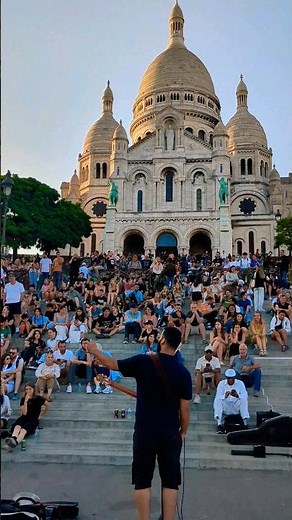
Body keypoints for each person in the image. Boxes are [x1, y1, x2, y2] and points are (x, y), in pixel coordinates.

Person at [86, 327, 192, 520]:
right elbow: (185, 409)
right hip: (169, 432)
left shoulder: (144, 361)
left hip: (145, 431)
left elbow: (111, 364)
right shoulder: (183, 373)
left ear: (162, 341)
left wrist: (93, 349)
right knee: (170, 481)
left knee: (143, 479)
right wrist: (183, 431)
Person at [3, 383, 49, 451]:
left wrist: (41, 415)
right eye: (26, 389)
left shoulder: (38, 398)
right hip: (24, 417)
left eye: (30, 389)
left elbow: (47, 405)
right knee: (17, 426)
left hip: (33, 419)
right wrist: (25, 402)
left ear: (33, 389)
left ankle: (14, 443)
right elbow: (24, 413)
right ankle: (13, 439)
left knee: (23, 430)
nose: (28, 391)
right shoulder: (23, 399)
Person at [214, 368, 249, 434]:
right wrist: (225, 396)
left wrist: (237, 395)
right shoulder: (221, 383)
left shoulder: (240, 383)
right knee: (218, 400)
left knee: (243, 399)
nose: (230, 380)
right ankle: (219, 424)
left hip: (236, 406)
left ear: (234, 378)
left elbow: (245, 395)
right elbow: (218, 395)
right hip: (226, 406)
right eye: (228, 378)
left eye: (231, 378)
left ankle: (245, 423)